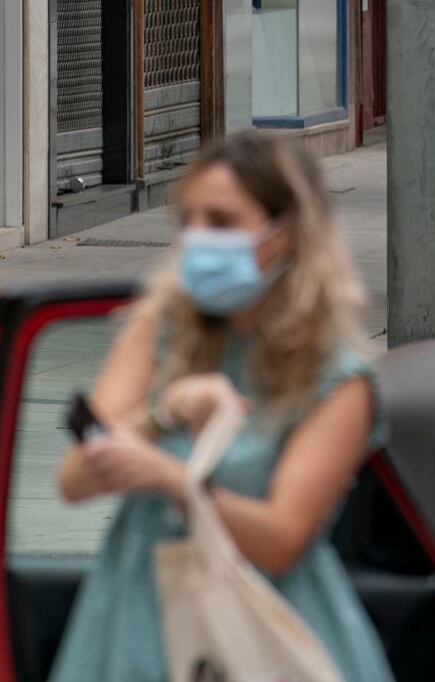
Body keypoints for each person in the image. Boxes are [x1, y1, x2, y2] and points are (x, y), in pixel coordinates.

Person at [50, 131, 391, 682]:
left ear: (284, 234)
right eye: (190, 220)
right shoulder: (158, 331)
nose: (198, 238)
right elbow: (74, 479)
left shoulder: (336, 377)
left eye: (223, 222)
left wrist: (174, 481)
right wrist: (162, 413)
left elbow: (281, 540)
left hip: (264, 635)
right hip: (137, 622)